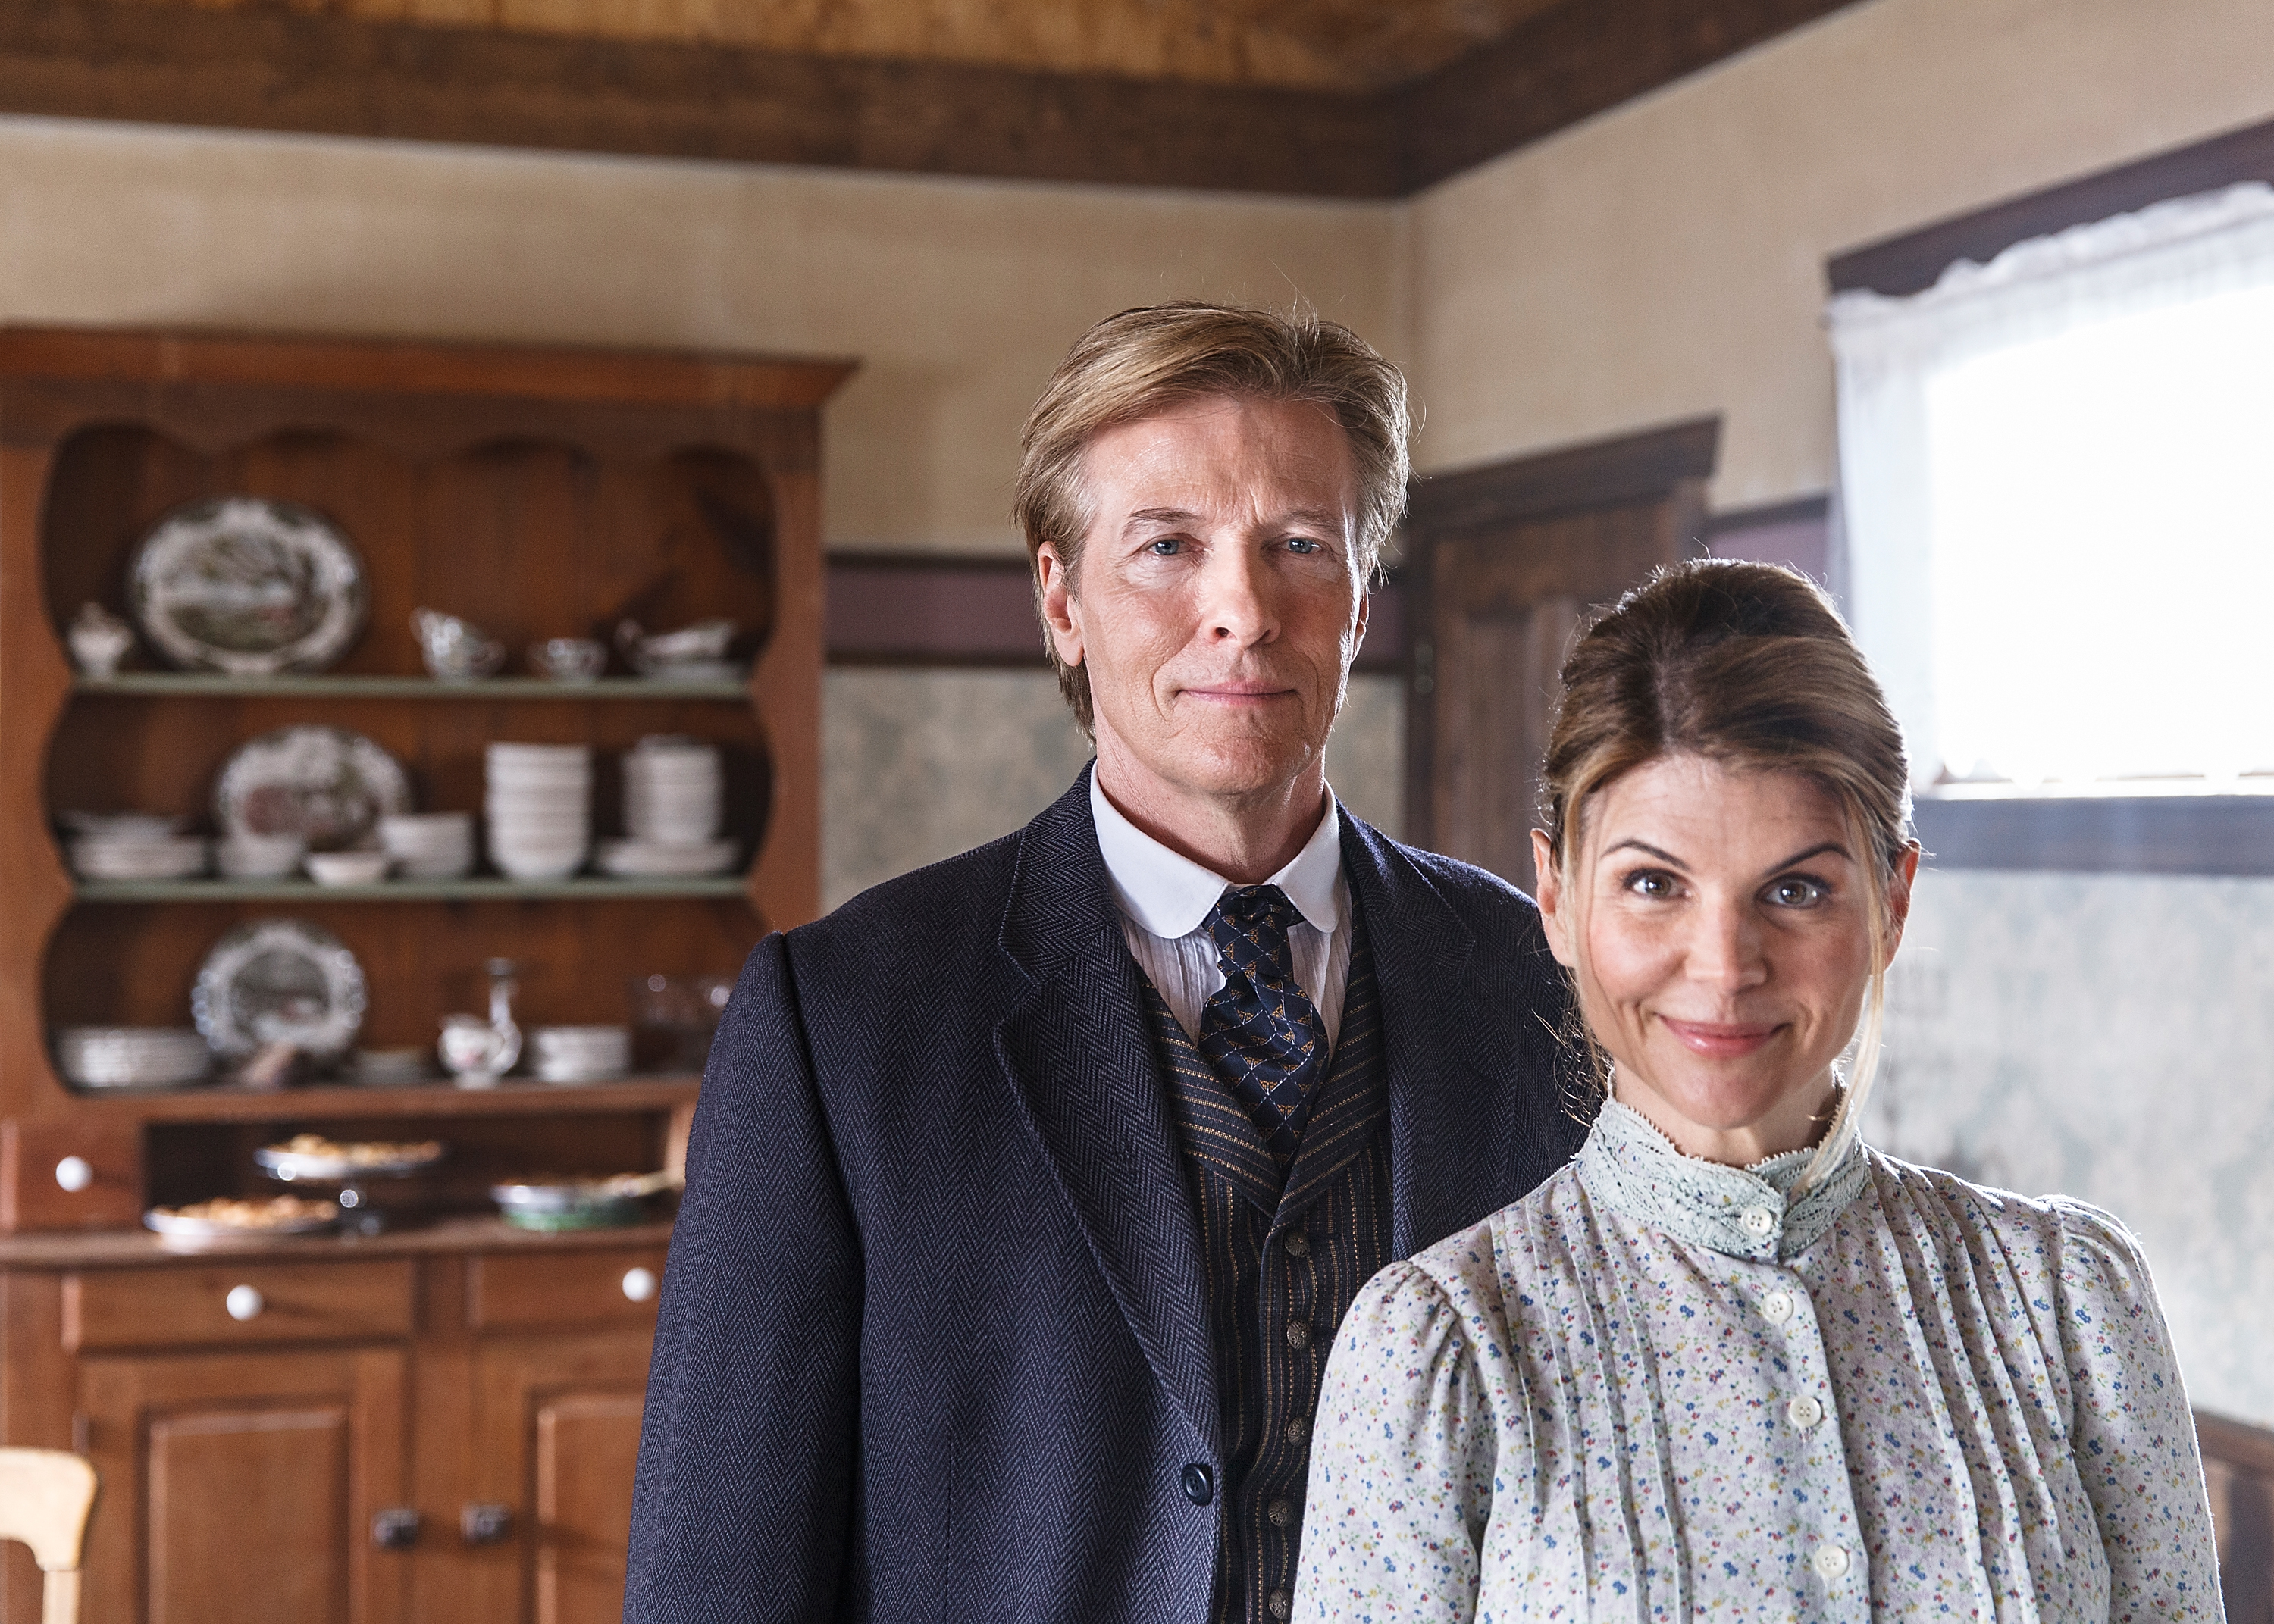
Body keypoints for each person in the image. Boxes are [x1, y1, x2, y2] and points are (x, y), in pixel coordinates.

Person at [624, 303, 1584, 1622]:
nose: (1241, 612)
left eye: (1298, 545)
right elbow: (716, 1580)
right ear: (1062, 600)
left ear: (1361, 602)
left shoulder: (1536, 974)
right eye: (1167, 548)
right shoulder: (839, 1019)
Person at [1294, 559, 2223, 1622]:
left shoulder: (2071, 1306)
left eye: (1795, 889)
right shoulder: (1439, 1355)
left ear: (1892, 899)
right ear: (1555, 895)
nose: (1726, 964)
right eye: (1653, 885)